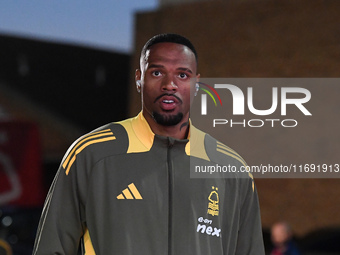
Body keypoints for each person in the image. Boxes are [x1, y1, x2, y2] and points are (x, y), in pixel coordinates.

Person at [33, 33, 265, 254]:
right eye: (156, 73)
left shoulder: (232, 169)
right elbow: (51, 248)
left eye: (182, 75)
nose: (170, 84)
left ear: (196, 84)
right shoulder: (92, 154)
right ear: (139, 78)